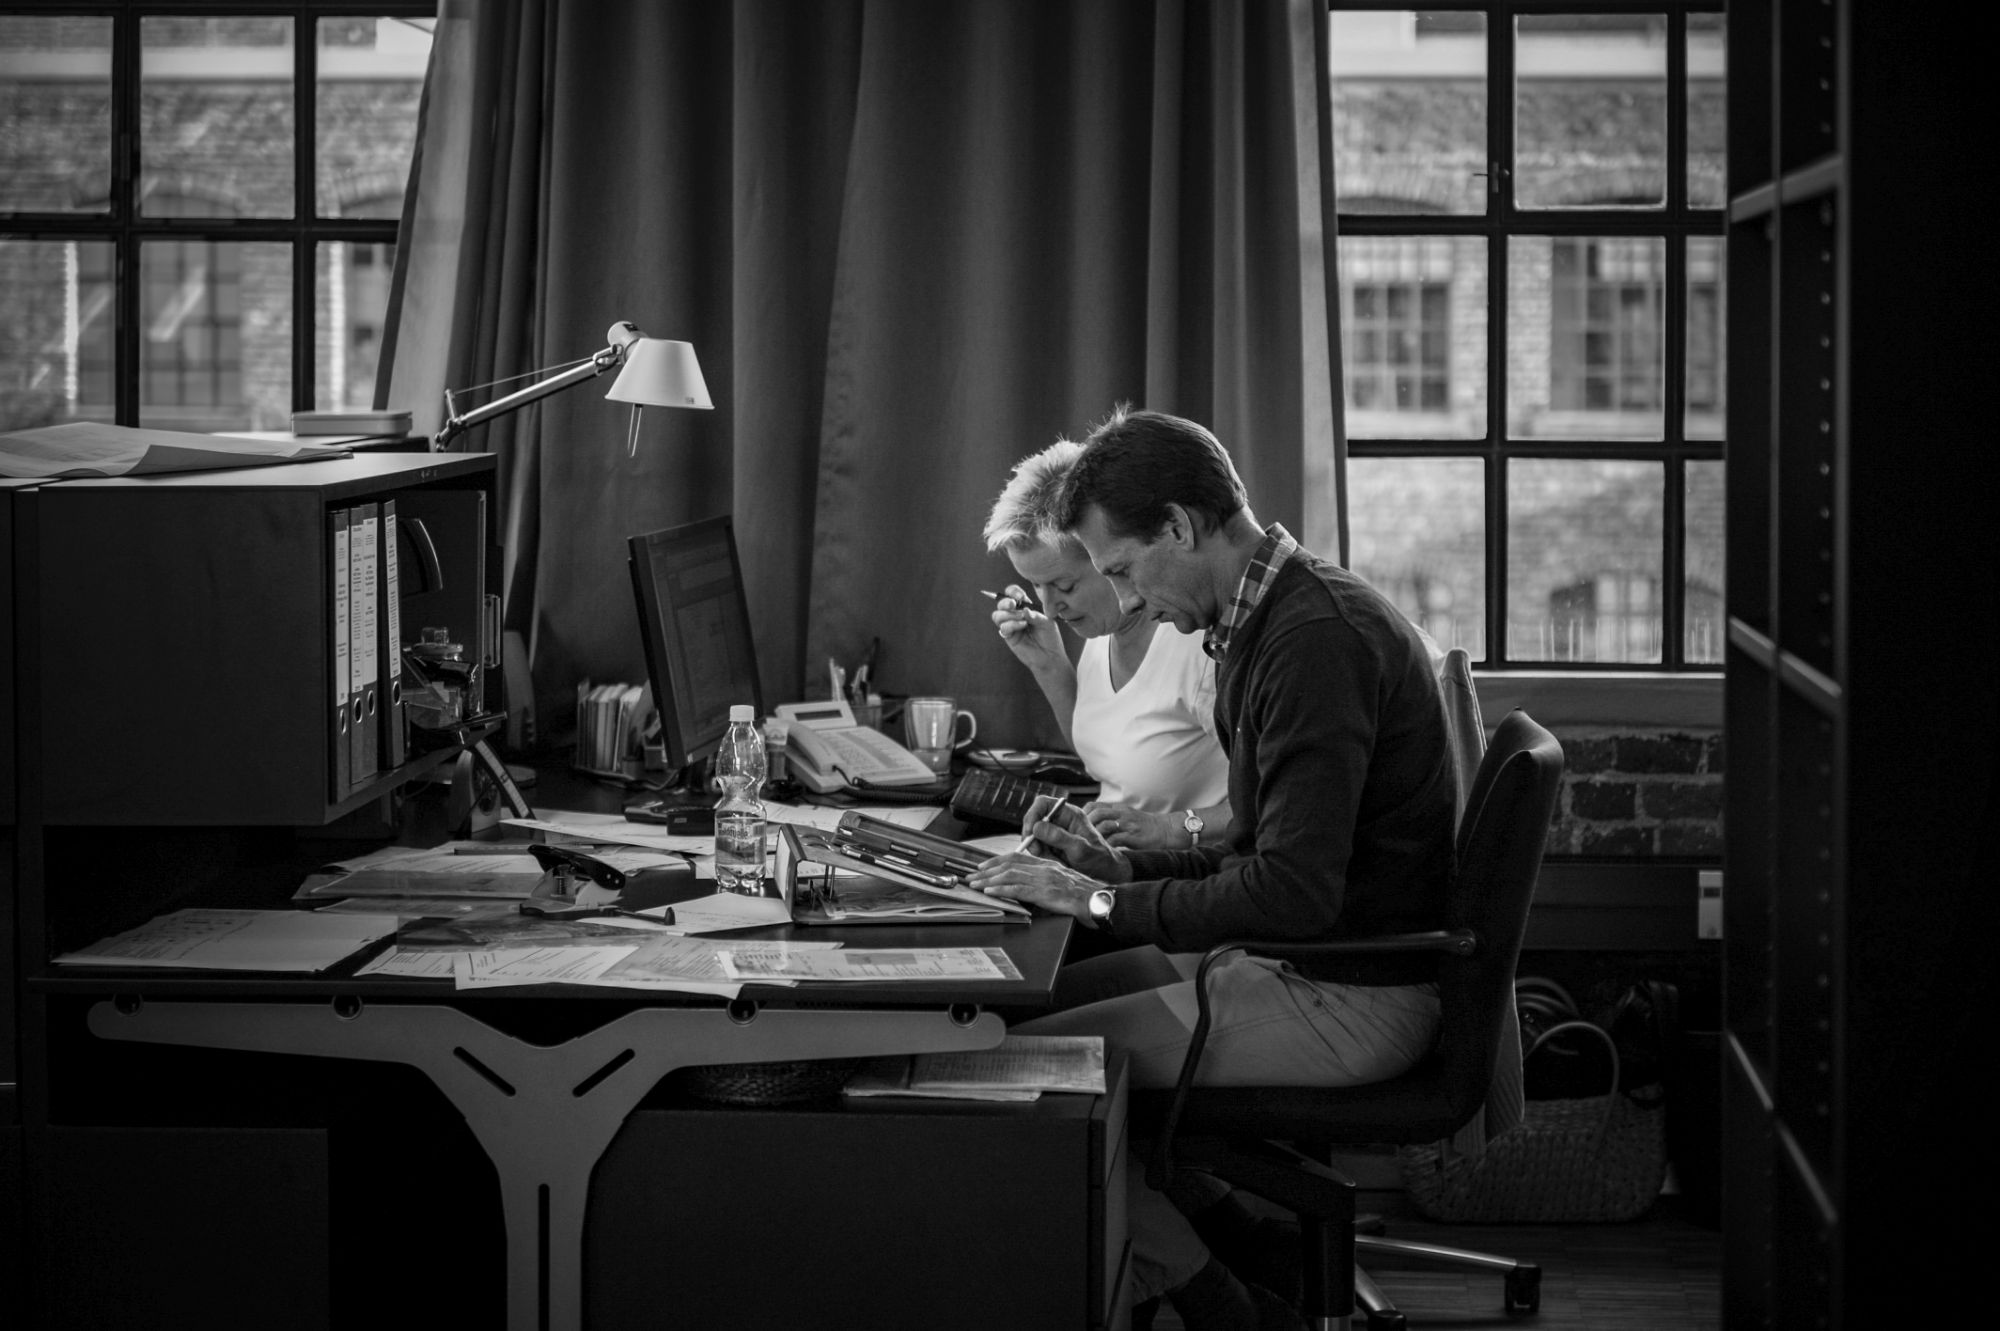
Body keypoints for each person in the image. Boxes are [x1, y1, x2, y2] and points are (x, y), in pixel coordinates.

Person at [969, 408, 1458, 1331]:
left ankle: (1229, 1308)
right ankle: (1245, 1248)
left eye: (1122, 570)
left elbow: (1291, 891)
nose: (1128, 598)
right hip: (1307, 962)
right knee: (1034, 1008)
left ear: (1180, 527)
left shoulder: (1312, 641)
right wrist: (1120, 865)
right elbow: (1259, 848)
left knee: (1022, 1076)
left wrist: (1103, 899)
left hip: (1350, 992)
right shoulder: (1273, 615)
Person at [981, 437, 1231, 853]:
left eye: (1064, 586)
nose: (1050, 609)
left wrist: (1168, 828)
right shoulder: (1103, 630)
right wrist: (1049, 665)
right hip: (1111, 869)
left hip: (1187, 878)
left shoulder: (1196, 647)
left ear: (1108, 556)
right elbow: (1110, 756)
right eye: (1035, 587)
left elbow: (1269, 808)